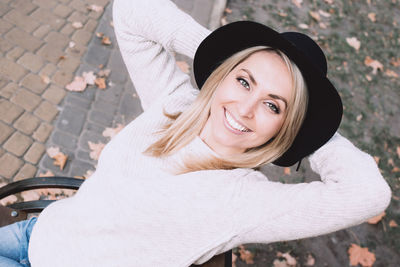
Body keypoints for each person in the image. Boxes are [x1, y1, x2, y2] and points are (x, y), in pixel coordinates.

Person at [0, 0, 392, 266]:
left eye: (273, 105)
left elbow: (369, 193)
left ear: (285, 126)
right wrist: (219, 49)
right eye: (243, 81)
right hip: (41, 230)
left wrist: (312, 129)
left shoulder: (245, 201)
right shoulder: (175, 102)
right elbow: (133, 9)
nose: (245, 109)